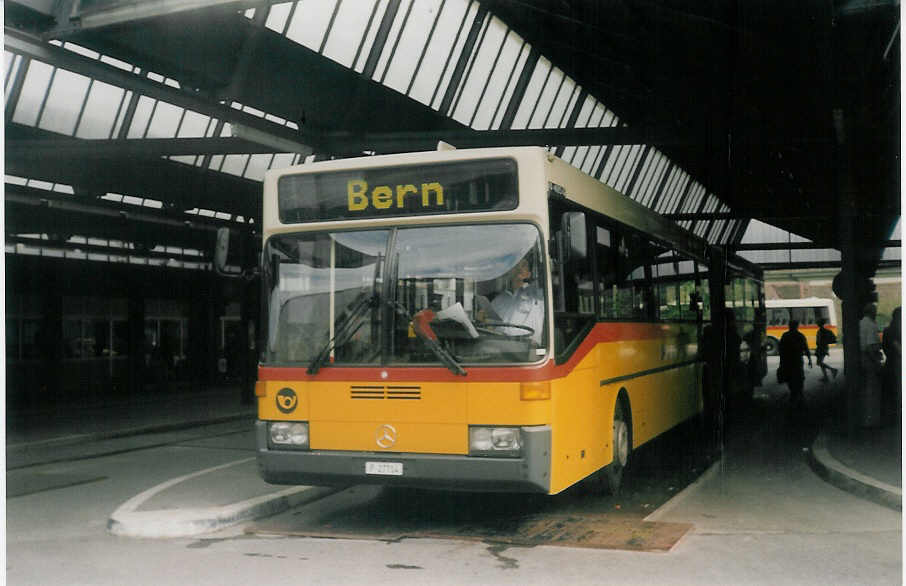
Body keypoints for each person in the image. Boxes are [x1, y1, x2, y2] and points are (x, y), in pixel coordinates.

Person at [490, 257, 544, 344]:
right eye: (516, 265)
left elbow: (535, 332)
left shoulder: (536, 296)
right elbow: (488, 321)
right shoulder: (500, 298)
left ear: (529, 274)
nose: (519, 268)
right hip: (495, 342)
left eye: (523, 265)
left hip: (521, 346)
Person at [859, 303, 883, 427]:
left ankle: (866, 418)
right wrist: (877, 362)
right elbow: (870, 346)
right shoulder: (871, 325)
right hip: (869, 359)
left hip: (862, 359)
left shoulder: (861, 323)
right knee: (872, 390)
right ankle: (871, 420)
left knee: (866, 389)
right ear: (871, 312)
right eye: (875, 311)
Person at [778, 320, 811, 406]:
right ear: (797, 326)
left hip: (787, 361)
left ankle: (793, 393)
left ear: (789, 326)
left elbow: (781, 350)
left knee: (789, 377)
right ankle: (799, 393)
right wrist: (809, 360)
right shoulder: (800, 336)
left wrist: (781, 362)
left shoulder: (785, 335)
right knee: (799, 377)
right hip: (797, 360)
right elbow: (806, 348)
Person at [881, 306, 901, 424]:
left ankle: (895, 417)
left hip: (891, 363)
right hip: (898, 364)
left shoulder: (887, 330)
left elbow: (885, 347)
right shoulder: (896, 330)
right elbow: (898, 348)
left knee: (894, 392)